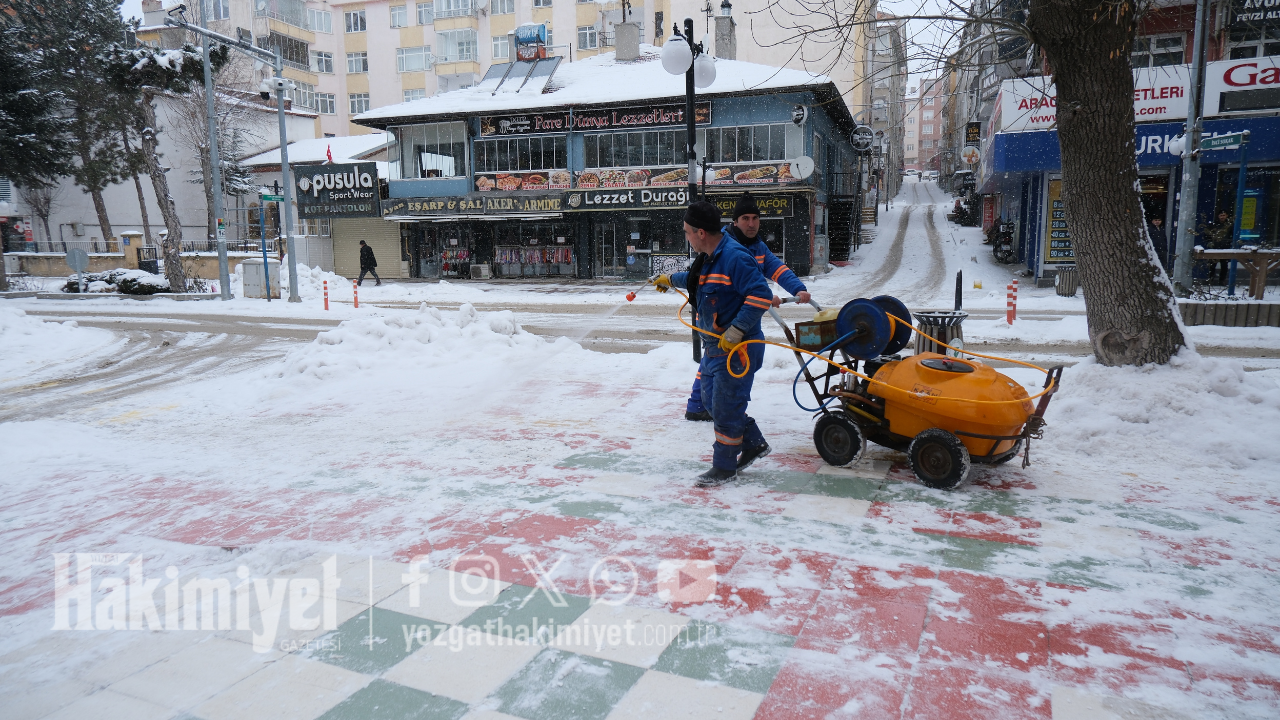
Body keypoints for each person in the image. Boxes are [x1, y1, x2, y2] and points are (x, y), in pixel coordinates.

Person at [654, 201, 774, 488]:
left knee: (725, 406)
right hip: (715, 348)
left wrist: (737, 330)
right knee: (710, 401)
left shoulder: (734, 256)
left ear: (700, 233)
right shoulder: (709, 256)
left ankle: (724, 467)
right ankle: (754, 443)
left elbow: (761, 295)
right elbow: (698, 280)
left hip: (737, 349)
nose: (686, 237)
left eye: (686, 232)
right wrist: (670, 279)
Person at [685, 192, 810, 426]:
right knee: (718, 363)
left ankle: (704, 406)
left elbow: (776, 269)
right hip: (722, 317)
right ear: (735, 222)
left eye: (755, 218)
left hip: (743, 319)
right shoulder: (725, 247)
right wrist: (762, 295)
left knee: (719, 363)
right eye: (745, 218)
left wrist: (798, 289)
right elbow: (705, 277)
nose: (751, 223)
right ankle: (712, 410)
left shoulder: (758, 247)